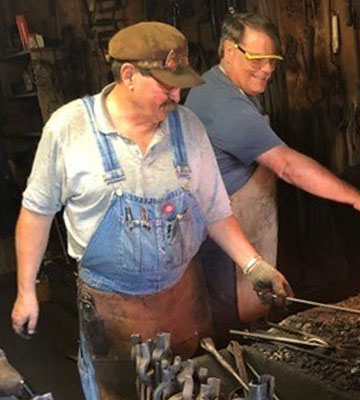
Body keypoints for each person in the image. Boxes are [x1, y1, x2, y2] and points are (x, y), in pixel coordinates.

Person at [10, 22, 292, 400]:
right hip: (113, 317)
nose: (177, 94)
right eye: (165, 84)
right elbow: (36, 213)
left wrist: (253, 265)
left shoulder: (188, 127)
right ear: (129, 75)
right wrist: (26, 290)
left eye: (180, 83)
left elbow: (215, 211)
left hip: (185, 305)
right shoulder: (69, 129)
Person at [184, 13, 360, 341]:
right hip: (223, 241)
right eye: (258, 59)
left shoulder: (218, 85)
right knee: (229, 326)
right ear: (228, 50)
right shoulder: (223, 104)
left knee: (245, 312)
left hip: (236, 232)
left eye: (273, 60)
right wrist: (359, 198)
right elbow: (287, 166)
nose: (268, 69)